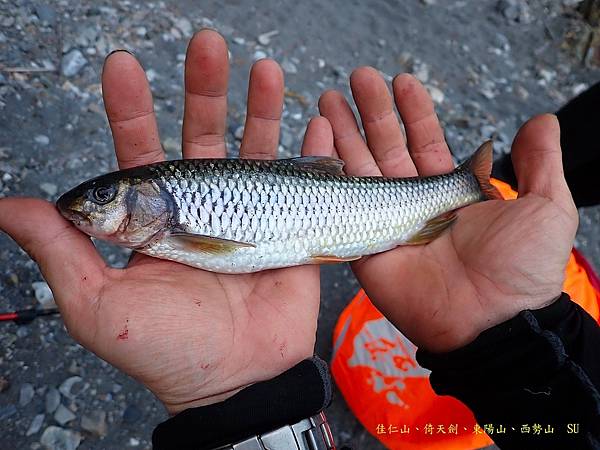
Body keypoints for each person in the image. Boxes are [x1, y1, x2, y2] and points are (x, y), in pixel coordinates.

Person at [0, 29, 598, 449]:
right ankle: (460, 185)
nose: (94, 208)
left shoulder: (169, 230)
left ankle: (461, 185)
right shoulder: (167, 229)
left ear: (148, 197)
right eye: (105, 197)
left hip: (371, 212)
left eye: (107, 196)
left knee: (428, 196)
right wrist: (523, 348)